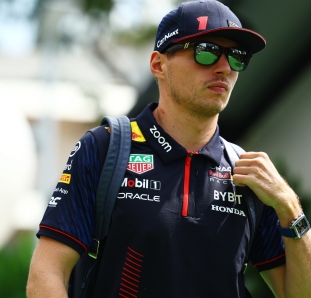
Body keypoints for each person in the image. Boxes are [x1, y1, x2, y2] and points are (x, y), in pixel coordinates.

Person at [26, 0, 311, 297]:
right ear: (159, 65)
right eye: (207, 51)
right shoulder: (104, 148)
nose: (225, 67)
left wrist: (289, 207)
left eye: (237, 57)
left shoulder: (248, 173)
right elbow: (46, 274)